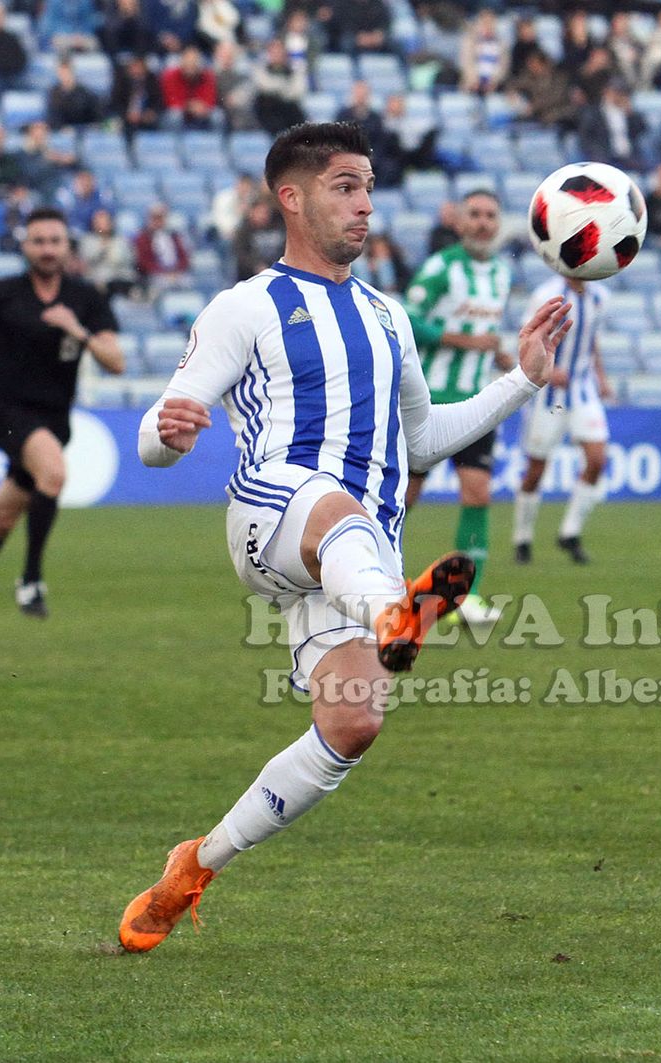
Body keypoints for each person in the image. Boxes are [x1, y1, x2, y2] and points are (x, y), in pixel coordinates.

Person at [117, 123, 571, 952]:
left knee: (354, 724)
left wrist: (522, 377)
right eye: (344, 187)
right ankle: (400, 614)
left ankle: (195, 865)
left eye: (368, 187)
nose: (364, 205)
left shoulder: (387, 315)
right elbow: (161, 427)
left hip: (353, 553)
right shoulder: (246, 305)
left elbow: (423, 440)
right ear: (290, 197)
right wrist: (166, 430)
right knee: (333, 503)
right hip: (274, 511)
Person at [0, 207, 125, 642]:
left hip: (55, 419)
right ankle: (30, 579)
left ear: (66, 246)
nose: (47, 249)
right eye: (38, 241)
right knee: (55, 473)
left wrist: (76, 330)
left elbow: (115, 362)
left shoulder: (85, 299)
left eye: (54, 241)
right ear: (25, 246)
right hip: (6, 413)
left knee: (1, 519)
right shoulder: (3, 292)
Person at [401, 190, 514, 627]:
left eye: (491, 215)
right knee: (402, 499)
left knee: (478, 494)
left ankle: (467, 596)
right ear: (460, 222)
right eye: (476, 215)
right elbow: (407, 317)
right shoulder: (441, 266)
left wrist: (497, 357)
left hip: (475, 401)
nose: (484, 222)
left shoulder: (501, 274)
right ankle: (378, 582)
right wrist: (464, 343)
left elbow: (485, 334)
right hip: (426, 401)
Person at [512, 273, 612, 566]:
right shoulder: (548, 293)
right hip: (548, 394)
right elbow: (528, 337)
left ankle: (570, 533)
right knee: (535, 469)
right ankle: (522, 538)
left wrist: (602, 379)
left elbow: (591, 341)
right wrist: (548, 370)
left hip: (583, 389)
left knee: (597, 460)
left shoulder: (599, 297)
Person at [77, 207, 136, 297]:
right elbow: (86, 260)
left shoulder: (121, 240)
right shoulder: (87, 240)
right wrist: (103, 247)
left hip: (122, 280)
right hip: (99, 281)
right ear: (94, 224)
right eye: (99, 221)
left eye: (106, 221)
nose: (103, 224)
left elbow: (130, 260)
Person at [134, 202, 192, 292]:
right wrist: (164, 273)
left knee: (187, 282)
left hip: (176, 273)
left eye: (161, 217)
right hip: (155, 275)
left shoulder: (174, 236)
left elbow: (184, 257)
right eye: (155, 218)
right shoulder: (143, 238)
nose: (158, 221)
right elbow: (144, 262)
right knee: (161, 283)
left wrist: (176, 271)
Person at [160, 45, 219, 130]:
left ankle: (215, 142)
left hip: (200, 114)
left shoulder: (207, 76)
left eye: (194, 62)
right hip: (176, 115)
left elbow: (210, 100)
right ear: (182, 62)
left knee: (217, 115)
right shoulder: (170, 75)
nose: (191, 65)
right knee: (175, 115)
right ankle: (174, 143)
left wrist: (202, 107)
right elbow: (171, 101)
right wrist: (189, 107)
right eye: (188, 62)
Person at [46, 57, 105, 130]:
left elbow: (96, 114)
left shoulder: (85, 93)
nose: (64, 75)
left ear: (72, 71)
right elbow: (53, 118)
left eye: (67, 71)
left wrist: (93, 126)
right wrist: (62, 128)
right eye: (62, 72)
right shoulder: (53, 94)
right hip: (63, 133)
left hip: (84, 131)